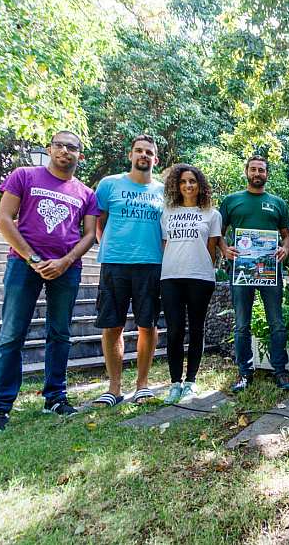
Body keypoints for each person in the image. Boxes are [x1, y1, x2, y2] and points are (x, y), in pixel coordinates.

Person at [0, 131, 99, 433]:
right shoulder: (24, 175)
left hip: (67, 268)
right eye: (58, 145)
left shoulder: (86, 193)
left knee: (60, 334)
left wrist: (65, 262)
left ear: (80, 156)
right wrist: (33, 259)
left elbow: (89, 235)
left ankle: (55, 398)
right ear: (49, 150)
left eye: (72, 148)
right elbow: (4, 219)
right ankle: (0, 408)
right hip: (23, 265)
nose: (64, 151)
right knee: (12, 334)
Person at [92, 135, 164, 407]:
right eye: (139, 151)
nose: (143, 155)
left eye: (149, 152)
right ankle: (114, 388)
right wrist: (115, 247)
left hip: (150, 265)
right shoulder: (109, 184)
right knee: (113, 325)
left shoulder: (162, 191)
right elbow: (99, 224)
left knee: (148, 325)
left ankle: (142, 385)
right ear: (131, 156)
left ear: (155, 160)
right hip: (115, 263)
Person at [218, 155, 289, 392]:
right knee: (241, 324)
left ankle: (280, 371)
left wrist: (285, 248)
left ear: (267, 174)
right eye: (253, 169)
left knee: (277, 324)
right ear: (247, 172)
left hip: (271, 270)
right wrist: (224, 248)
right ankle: (244, 372)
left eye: (261, 170)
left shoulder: (278, 203)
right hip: (241, 270)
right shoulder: (231, 200)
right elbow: (218, 233)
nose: (257, 173)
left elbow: (287, 235)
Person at [160, 164, 222, 404]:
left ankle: (190, 382)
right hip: (171, 276)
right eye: (184, 181)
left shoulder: (211, 214)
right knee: (174, 331)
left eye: (193, 181)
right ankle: (175, 383)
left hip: (201, 277)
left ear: (200, 185)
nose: (188, 185)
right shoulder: (167, 212)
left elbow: (211, 249)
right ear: (177, 185)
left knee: (197, 329)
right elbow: (166, 245)